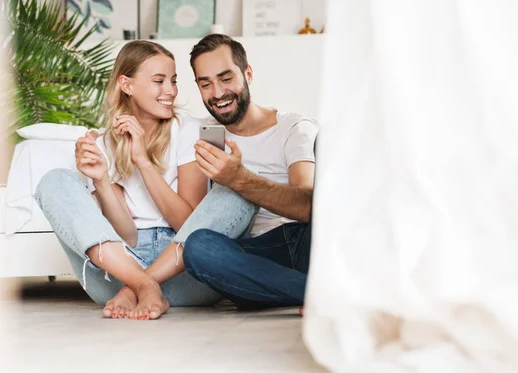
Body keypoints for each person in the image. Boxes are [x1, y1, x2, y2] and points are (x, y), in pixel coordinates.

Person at [34, 40, 257, 320]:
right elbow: (126, 235)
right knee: (53, 181)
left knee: (241, 188)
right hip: (118, 273)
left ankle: (140, 286)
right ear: (126, 85)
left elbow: (190, 227)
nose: (171, 91)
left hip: (187, 274)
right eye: (159, 81)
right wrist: (101, 181)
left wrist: (142, 160)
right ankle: (143, 285)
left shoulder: (196, 130)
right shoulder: (104, 142)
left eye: (173, 81)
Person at [149, 33, 317, 310]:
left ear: (248, 74)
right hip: (246, 255)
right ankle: (311, 292)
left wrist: (239, 180)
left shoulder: (293, 128)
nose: (217, 93)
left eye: (226, 79)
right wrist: (102, 139)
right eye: (206, 84)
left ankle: (288, 290)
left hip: (298, 241)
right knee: (199, 247)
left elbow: (307, 206)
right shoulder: (196, 132)